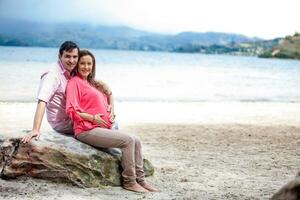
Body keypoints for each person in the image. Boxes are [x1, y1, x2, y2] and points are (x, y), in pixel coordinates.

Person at [65, 50, 159, 193]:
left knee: (136, 140)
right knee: (128, 140)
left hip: (101, 128)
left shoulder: (91, 83)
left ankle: (141, 180)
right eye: (82, 63)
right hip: (86, 130)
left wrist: (112, 110)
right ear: (77, 65)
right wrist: (93, 118)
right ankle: (129, 181)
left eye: (89, 64)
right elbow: (71, 110)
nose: (86, 67)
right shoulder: (74, 82)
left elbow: (108, 97)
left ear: (93, 65)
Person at [21, 41, 115, 143]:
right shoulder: (53, 75)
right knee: (112, 127)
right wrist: (35, 129)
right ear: (59, 56)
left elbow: (99, 87)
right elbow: (42, 101)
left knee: (112, 124)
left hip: (74, 117)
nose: (71, 60)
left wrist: (110, 105)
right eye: (67, 56)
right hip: (65, 123)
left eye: (75, 57)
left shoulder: (70, 71)